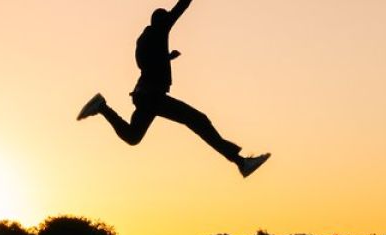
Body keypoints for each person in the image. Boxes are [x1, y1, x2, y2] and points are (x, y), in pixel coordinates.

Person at [78, 0, 270, 178]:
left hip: (145, 95)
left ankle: (101, 107)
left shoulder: (145, 39)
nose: (169, 21)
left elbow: (145, 64)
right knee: (197, 120)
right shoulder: (159, 30)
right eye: (166, 19)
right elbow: (181, 7)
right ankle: (241, 162)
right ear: (161, 22)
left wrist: (167, 57)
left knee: (133, 136)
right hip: (152, 96)